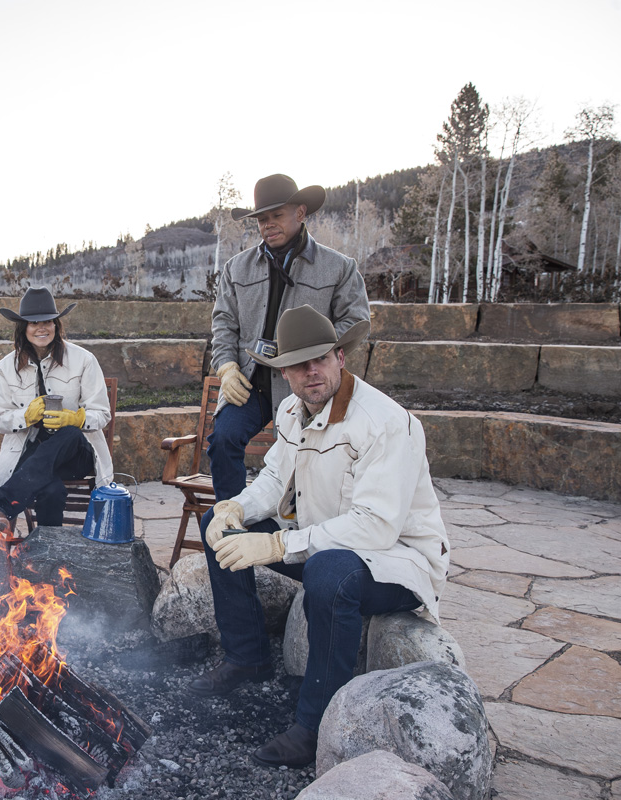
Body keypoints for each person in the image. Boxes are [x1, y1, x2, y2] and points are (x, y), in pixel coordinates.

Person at [191, 305, 449, 769]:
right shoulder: (293, 409)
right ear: (284, 372)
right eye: (300, 363)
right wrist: (236, 508)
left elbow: (375, 525)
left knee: (327, 572)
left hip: (391, 560)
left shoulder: (386, 422)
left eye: (322, 359)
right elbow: (274, 479)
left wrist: (275, 545)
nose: (313, 372)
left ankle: (312, 727)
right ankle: (246, 656)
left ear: (341, 358)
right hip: (318, 539)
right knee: (221, 524)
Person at [208, 174, 370, 502]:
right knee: (223, 439)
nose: (268, 224)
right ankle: (231, 521)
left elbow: (355, 320)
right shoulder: (235, 269)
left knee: (307, 454)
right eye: (262, 219)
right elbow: (223, 324)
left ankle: (298, 526)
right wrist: (225, 367)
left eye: (277, 215)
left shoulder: (339, 267)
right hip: (250, 380)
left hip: (307, 380)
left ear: (300, 212)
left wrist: (314, 350)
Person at [0, 287, 113, 534]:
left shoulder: (83, 360)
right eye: (33, 323)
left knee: (70, 433)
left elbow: (102, 413)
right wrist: (25, 416)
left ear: (56, 324)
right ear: (23, 327)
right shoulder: (4, 368)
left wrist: (76, 418)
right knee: (51, 489)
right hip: (34, 455)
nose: (41, 328)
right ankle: (47, 551)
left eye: (48, 321)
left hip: (77, 454)